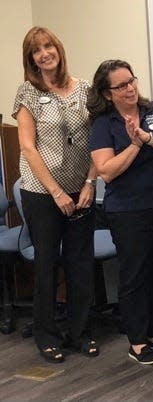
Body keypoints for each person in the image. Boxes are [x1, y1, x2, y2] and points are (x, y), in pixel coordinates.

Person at [12, 26, 98, 363]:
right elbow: (28, 148)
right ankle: (46, 335)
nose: (45, 53)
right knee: (47, 263)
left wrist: (90, 183)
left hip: (82, 189)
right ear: (31, 58)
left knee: (80, 263)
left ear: (58, 49)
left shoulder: (86, 90)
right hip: (42, 192)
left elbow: (98, 141)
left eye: (49, 46)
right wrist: (57, 192)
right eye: (37, 50)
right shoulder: (28, 93)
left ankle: (81, 332)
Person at [87, 60, 153, 365]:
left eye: (131, 81)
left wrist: (149, 137)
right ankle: (137, 341)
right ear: (107, 93)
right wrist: (136, 144)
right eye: (121, 86)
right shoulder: (104, 123)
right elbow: (107, 171)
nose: (129, 89)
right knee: (135, 275)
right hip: (128, 211)